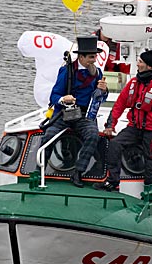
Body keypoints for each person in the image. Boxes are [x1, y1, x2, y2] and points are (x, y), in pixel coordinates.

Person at [94, 49, 152, 192]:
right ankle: (112, 181)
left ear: (149, 66)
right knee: (115, 145)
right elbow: (119, 104)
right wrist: (110, 125)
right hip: (134, 128)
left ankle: (151, 191)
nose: (137, 64)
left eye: (140, 62)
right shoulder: (133, 83)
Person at [41, 36, 108, 187]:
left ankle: (78, 172)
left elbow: (101, 98)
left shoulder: (97, 73)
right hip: (64, 114)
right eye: (91, 57)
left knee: (93, 135)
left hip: (83, 116)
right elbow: (54, 96)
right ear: (82, 57)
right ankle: (39, 170)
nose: (94, 60)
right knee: (48, 136)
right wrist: (64, 98)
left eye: (95, 56)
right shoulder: (66, 71)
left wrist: (104, 90)